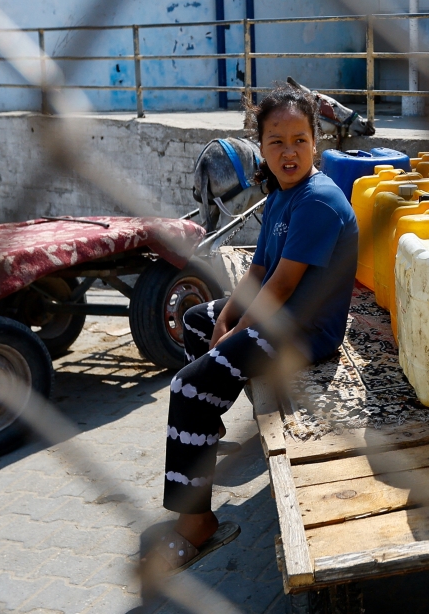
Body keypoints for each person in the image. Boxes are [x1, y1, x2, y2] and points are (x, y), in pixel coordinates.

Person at [142, 85, 359, 575]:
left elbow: (280, 287)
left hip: (305, 332)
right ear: (260, 145)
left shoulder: (318, 199)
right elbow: (259, 270)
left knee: (188, 387)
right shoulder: (283, 194)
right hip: (280, 315)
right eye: (277, 141)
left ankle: (196, 522)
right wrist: (223, 321)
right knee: (199, 321)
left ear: (315, 143)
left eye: (299, 140)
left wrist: (237, 329)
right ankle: (207, 427)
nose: (289, 151)